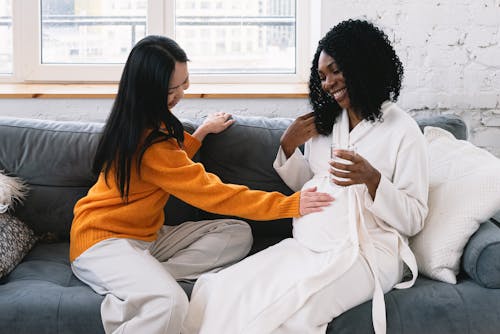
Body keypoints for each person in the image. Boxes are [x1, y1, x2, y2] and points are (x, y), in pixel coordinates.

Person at [69, 35, 333, 334]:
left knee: (236, 232)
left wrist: (203, 132)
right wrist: (289, 204)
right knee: (170, 303)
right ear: (149, 90)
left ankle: (149, 279)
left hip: (147, 237)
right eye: (173, 88)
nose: (182, 92)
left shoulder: (143, 122)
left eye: (185, 83)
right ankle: (149, 286)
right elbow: (211, 193)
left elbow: (170, 165)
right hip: (103, 242)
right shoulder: (149, 142)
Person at [183, 19, 429, 334]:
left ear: (363, 64)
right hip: (309, 246)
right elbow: (311, 187)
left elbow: (414, 219)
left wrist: (372, 179)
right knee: (224, 291)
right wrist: (287, 147)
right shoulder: (326, 125)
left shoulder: (402, 130)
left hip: (369, 252)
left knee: (292, 314)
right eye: (322, 76)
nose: (327, 84)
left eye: (336, 71)